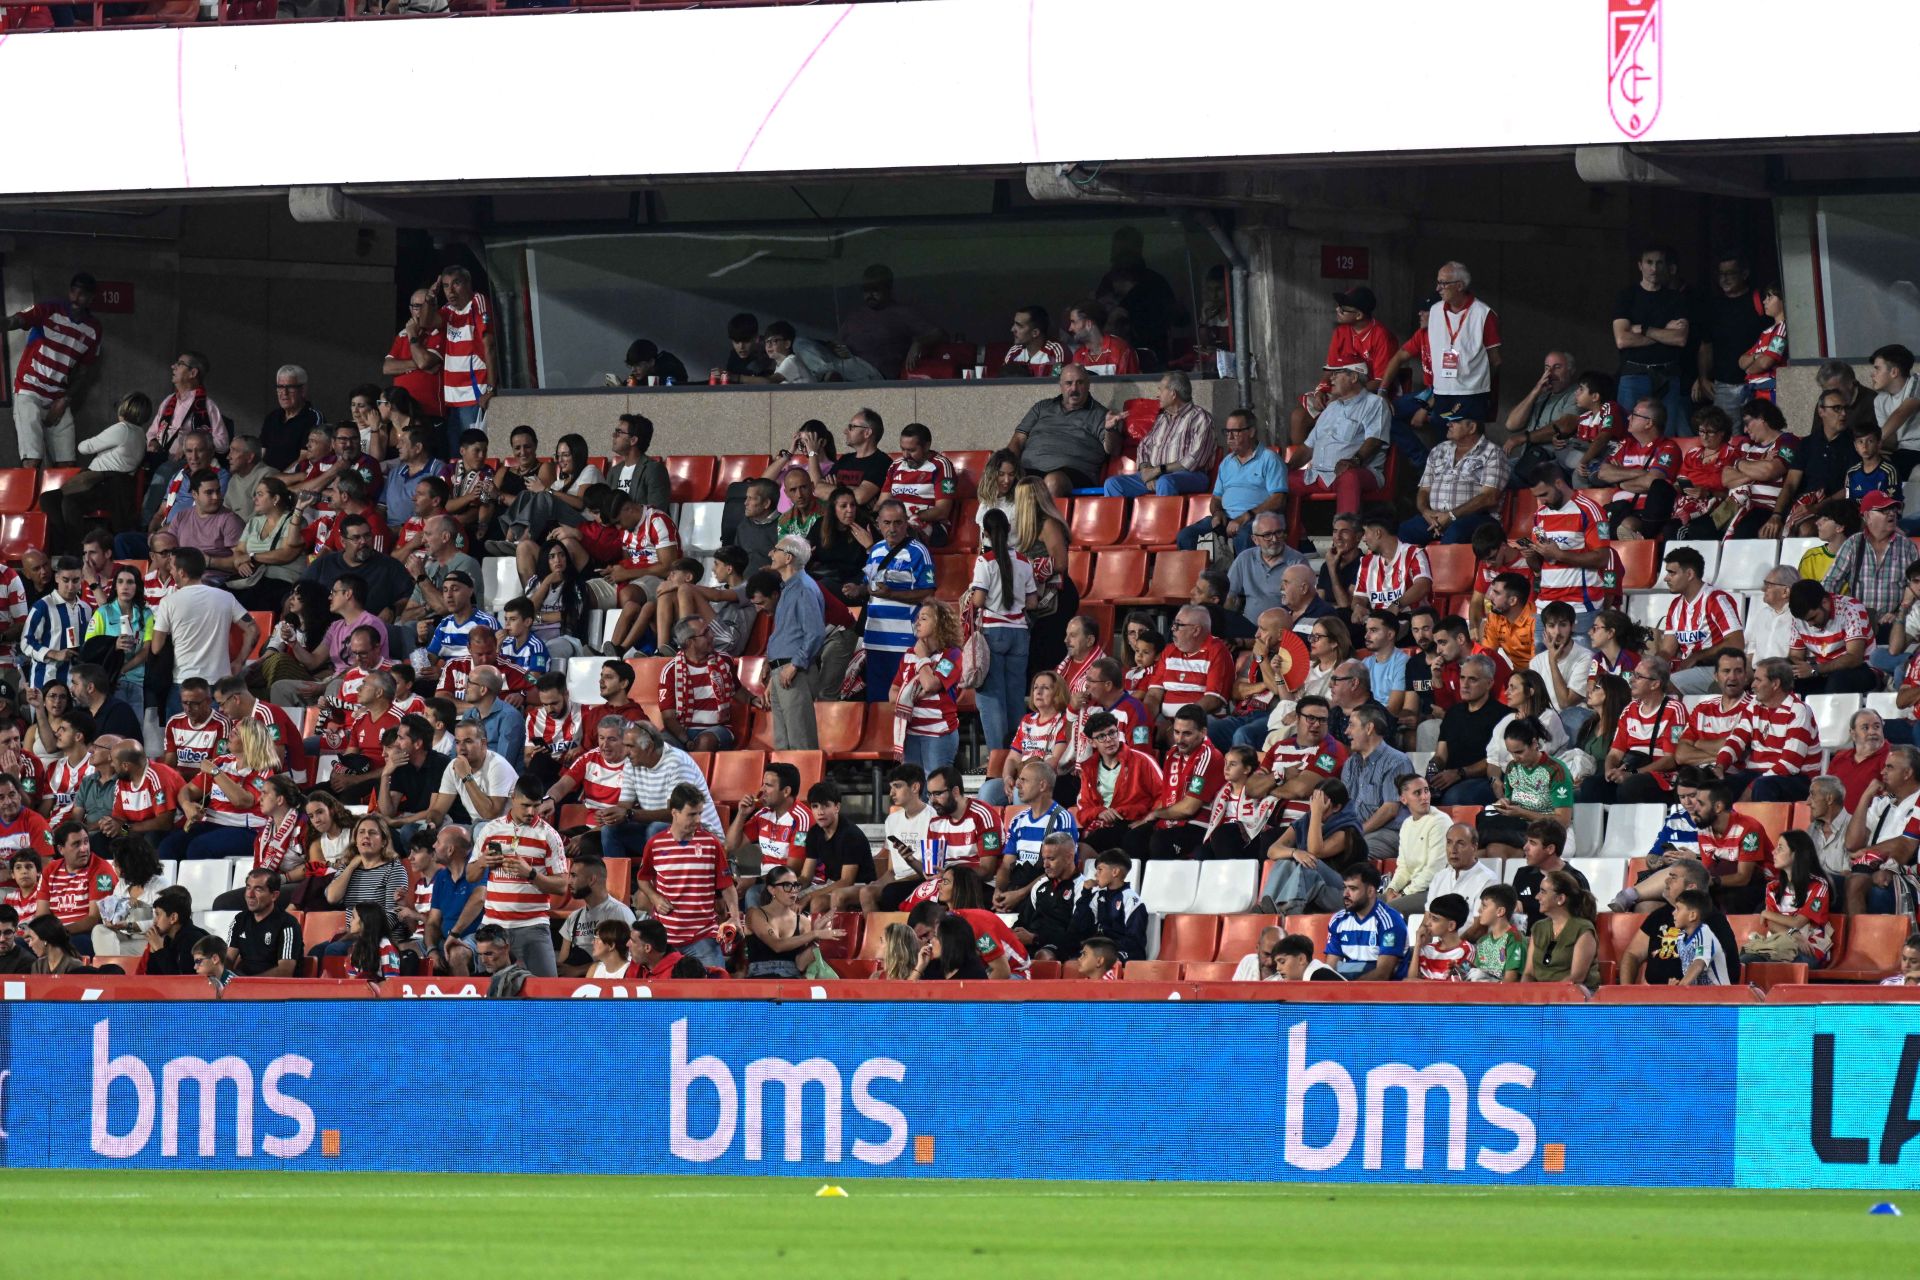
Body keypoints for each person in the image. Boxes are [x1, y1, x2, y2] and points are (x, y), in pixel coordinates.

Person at [636, 783, 740, 972]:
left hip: (702, 936)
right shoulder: (655, 844)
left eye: (700, 813)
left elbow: (727, 885)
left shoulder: (711, 843)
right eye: (692, 814)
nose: (698, 819)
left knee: (716, 991)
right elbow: (643, 878)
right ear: (674, 812)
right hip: (664, 941)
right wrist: (655, 897)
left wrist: (734, 918)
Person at [7, 271, 101, 467]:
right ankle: (30, 498)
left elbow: (84, 372)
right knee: (32, 459)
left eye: (82, 293)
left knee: (66, 464)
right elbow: (14, 321)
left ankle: (55, 498)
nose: (76, 297)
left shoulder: (93, 329)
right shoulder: (48, 310)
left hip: (57, 396)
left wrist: (64, 400)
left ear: (91, 298)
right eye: (73, 291)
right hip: (29, 389)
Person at [42, 391, 146, 555]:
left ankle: (76, 552)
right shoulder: (140, 434)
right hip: (105, 485)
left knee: (69, 502)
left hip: (105, 484)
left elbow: (84, 447)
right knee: (49, 498)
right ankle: (62, 545)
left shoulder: (122, 429)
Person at [968, 509, 1038, 750]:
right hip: (1019, 632)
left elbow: (978, 600)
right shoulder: (1024, 560)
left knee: (992, 697)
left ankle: (998, 758)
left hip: (993, 631)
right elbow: (1032, 602)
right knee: (1016, 696)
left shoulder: (984, 561)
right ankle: (1018, 752)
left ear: (985, 533)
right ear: (1009, 529)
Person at [1713, 656, 1820, 802]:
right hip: (1758, 775)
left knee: (1762, 786)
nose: (1752, 685)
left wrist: (1751, 788)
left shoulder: (1799, 711)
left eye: (1758, 680)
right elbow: (1736, 740)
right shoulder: (1754, 707)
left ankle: (1764, 825)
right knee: (1721, 786)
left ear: (1775, 684)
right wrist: (1720, 766)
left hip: (1797, 778)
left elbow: (1790, 765)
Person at [1619, 860, 1742, 986]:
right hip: (1659, 999)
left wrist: (1678, 990)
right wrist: (1627, 992)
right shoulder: (1658, 916)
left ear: (1691, 888)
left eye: (1673, 878)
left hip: (1702, 1001)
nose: (1666, 881)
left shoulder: (1711, 922)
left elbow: (1699, 963)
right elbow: (1632, 954)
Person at [1578, 656, 1683, 803]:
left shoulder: (1674, 709)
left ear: (1655, 684)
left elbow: (1669, 761)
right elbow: (1614, 754)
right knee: (1591, 785)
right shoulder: (1629, 709)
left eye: (1638, 676)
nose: (1631, 680)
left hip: (1660, 777)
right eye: (1633, 674)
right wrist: (1609, 771)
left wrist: (1633, 774)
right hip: (1630, 769)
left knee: (1629, 787)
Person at [1611, 245, 1691, 432]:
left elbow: (1680, 339)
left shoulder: (1675, 298)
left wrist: (1643, 329)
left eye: (1659, 263)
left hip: (1667, 374)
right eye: (1649, 262)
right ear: (1640, 265)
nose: (1654, 268)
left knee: (1666, 433)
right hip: (1634, 373)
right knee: (1628, 432)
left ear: (1665, 266)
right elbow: (1623, 339)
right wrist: (1664, 332)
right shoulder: (1627, 296)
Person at [1007, 364, 1116, 498]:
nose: (1074, 388)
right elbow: (1018, 439)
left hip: (1074, 474)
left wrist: (1110, 430)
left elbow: (1112, 450)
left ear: (1088, 384)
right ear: (1061, 385)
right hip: (1030, 470)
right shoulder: (1042, 407)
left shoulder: (1100, 414)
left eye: (1080, 383)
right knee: (1000, 474)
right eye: (1069, 383)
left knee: (1053, 481)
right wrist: (1006, 463)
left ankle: (1045, 520)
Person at [1102, 372, 1215, 498]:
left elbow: (1194, 460)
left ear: (1173, 394)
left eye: (1161, 390)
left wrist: (1157, 470)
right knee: (1113, 484)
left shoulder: (1200, 418)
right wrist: (1146, 472)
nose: (1158, 395)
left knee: (1165, 482)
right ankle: (1129, 518)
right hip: (1158, 475)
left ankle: (1166, 518)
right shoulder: (1162, 419)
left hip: (1191, 476)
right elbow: (1144, 447)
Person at [794, 781, 875, 914]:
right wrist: (789, 888)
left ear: (837, 807)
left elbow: (846, 881)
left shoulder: (851, 835)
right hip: (832, 883)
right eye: (815, 806)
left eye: (826, 806)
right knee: (788, 899)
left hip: (859, 885)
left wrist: (808, 896)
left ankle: (820, 935)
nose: (820, 812)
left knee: (817, 902)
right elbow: (806, 876)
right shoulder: (814, 833)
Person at [1324, 863, 1406, 981]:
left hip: (1387, 994)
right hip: (1349, 986)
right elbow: (1332, 969)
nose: (1345, 894)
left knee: (1367, 968)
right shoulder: (1338, 920)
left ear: (1370, 891)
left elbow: (1382, 974)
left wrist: (1348, 986)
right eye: (1344, 887)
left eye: (1353, 889)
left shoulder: (1390, 921)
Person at [1351, 507, 1432, 623]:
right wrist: (1358, 607)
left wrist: (1397, 604)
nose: (1363, 538)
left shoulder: (1414, 553)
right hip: (1377, 620)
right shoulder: (1366, 562)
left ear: (1378, 533)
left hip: (1410, 618)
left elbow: (1423, 585)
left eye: (1365, 532)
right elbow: (1359, 597)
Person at [1521, 868, 1599, 986]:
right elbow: (1528, 974)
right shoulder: (1538, 928)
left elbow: (1576, 977)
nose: (1537, 897)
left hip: (1574, 997)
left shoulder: (1583, 929)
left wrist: (1549, 995)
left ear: (1560, 899)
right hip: (1542, 997)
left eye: (1543, 892)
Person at [1466, 884, 1527, 983]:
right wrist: (1459, 970)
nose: (1479, 910)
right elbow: (1476, 972)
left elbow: (1511, 980)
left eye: (1484, 906)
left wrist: (1488, 981)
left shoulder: (1515, 939)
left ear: (1500, 911)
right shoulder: (1483, 941)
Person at [1003, 304, 1067, 378]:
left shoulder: (1056, 351)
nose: (1012, 329)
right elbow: (1004, 383)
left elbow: (1055, 384)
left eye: (1019, 326)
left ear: (1035, 333)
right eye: (1014, 324)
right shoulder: (1014, 352)